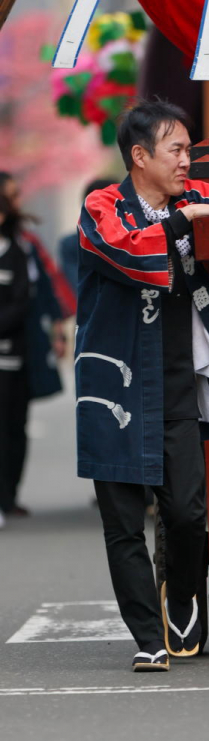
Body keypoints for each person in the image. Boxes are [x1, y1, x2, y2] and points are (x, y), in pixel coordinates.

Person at [77, 99, 209, 671]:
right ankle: (148, 637)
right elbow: (126, 250)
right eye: (177, 150)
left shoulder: (194, 198)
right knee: (122, 524)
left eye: (189, 150)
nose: (186, 161)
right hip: (114, 385)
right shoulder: (102, 205)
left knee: (189, 514)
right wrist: (180, 223)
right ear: (139, 156)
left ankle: (185, 595)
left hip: (173, 383)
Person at [0, 173, 69, 516]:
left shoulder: (24, 245)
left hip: (19, 343)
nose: (15, 203)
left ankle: (8, 493)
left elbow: (41, 291)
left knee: (14, 421)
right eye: (9, 196)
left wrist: (57, 328)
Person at [0, 196, 30, 529]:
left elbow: (22, 301)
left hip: (9, 359)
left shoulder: (15, 253)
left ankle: (7, 495)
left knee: (9, 429)